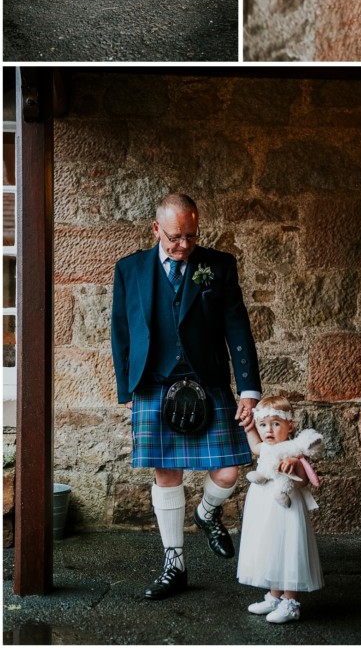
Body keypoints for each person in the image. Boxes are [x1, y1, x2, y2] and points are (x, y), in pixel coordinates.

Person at [110, 192, 261, 599]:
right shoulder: (130, 269)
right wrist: (126, 388)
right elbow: (121, 332)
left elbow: (236, 327)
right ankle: (174, 563)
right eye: (175, 237)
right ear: (157, 229)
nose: (183, 246)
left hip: (206, 380)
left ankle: (207, 511)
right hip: (153, 383)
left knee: (229, 470)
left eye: (191, 237)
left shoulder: (218, 266)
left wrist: (248, 390)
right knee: (166, 474)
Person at [238, 396, 324, 623]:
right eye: (263, 424)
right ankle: (274, 596)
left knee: (287, 548)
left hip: (286, 508)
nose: (269, 430)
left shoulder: (294, 452)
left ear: (290, 426)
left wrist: (295, 464)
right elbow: (255, 445)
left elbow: (304, 481)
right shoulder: (265, 447)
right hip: (264, 505)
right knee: (271, 547)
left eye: (276, 424)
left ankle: (290, 603)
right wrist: (249, 427)